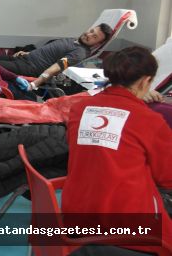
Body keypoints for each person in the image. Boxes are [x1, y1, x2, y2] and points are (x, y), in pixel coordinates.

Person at [62, 46, 172, 255]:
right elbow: (167, 178)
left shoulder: (79, 109)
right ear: (145, 81)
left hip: (76, 215)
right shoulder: (149, 120)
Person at [0, 23, 113, 89]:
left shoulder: (79, 52)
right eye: (91, 31)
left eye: (94, 37)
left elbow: (56, 68)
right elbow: (49, 52)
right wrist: (29, 53)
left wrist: (35, 84)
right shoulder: (74, 41)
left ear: (98, 44)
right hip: (24, 58)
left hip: (29, 67)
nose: (89, 35)